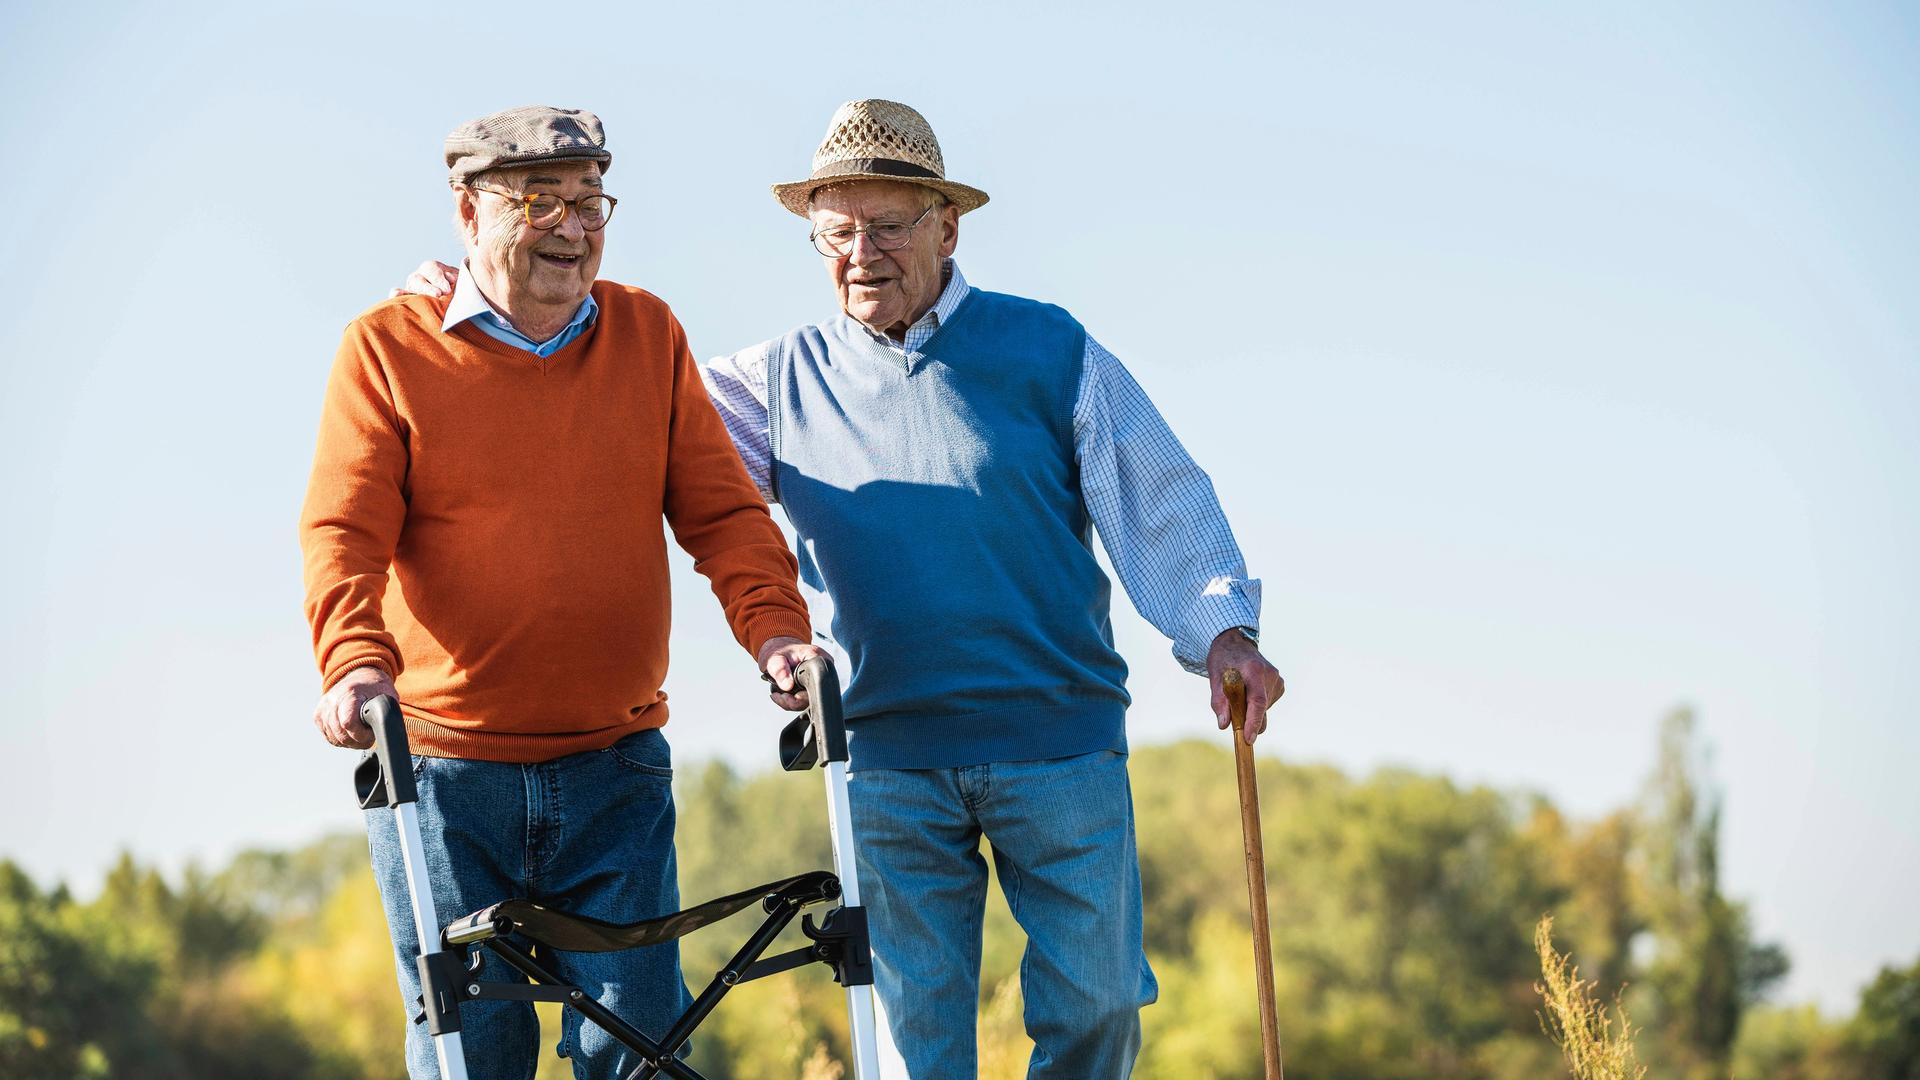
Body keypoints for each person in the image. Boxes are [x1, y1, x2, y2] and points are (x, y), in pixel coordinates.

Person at [397, 99, 1284, 1080]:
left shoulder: (1049, 350)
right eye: (836, 230)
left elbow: (1156, 494)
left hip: (1057, 742)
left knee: (1100, 1008)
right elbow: (625, 400)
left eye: (890, 226)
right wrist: (480, 292)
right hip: (886, 760)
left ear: (948, 227)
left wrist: (1225, 633)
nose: (861, 251)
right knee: (915, 1048)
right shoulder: (771, 382)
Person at [301, 104, 819, 1080]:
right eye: (541, 200)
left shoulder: (647, 333)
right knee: (472, 1054)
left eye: (591, 202)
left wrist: (777, 635)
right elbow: (342, 528)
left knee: (643, 1052)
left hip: (614, 774)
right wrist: (355, 662)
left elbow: (723, 514)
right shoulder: (386, 347)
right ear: (468, 212)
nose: (575, 228)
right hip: (442, 782)